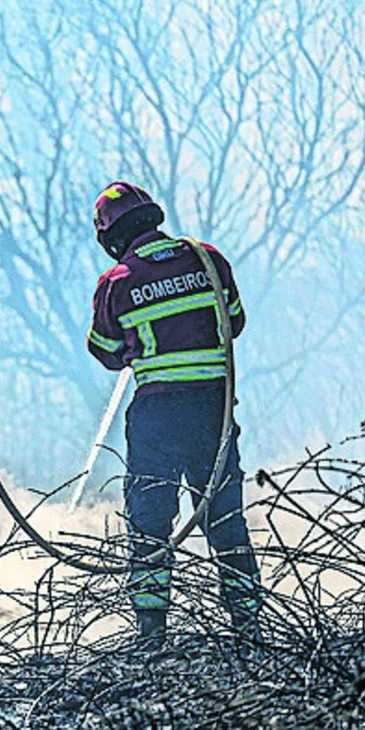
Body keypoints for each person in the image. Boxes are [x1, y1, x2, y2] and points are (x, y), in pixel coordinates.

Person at [85, 182, 262, 650]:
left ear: (112, 237)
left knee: (150, 523)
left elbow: (104, 351)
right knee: (225, 519)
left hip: (157, 418)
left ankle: (152, 636)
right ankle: (249, 629)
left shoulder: (116, 282)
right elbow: (235, 322)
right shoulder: (207, 259)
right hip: (214, 412)